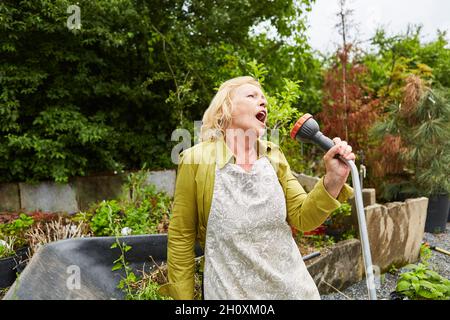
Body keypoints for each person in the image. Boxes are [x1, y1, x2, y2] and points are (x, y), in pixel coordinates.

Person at [159, 76, 355, 300]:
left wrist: (333, 179)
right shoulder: (196, 160)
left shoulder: (273, 156)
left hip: (294, 292)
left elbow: (304, 217)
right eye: (251, 96)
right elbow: (181, 237)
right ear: (225, 109)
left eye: (264, 99)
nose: (263, 102)